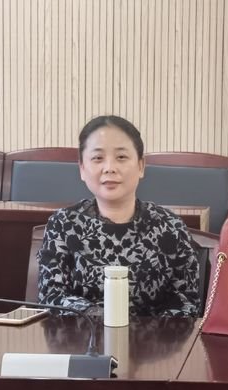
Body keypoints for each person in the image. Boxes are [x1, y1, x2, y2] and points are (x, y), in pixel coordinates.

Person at [37, 115, 200, 317]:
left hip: (153, 337)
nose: (110, 168)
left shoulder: (170, 226)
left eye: (121, 157)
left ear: (141, 166)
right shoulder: (63, 224)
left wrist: (145, 332)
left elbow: (187, 302)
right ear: (82, 169)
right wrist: (99, 316)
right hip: (82, 335)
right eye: (98, 158)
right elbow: (51, 296)